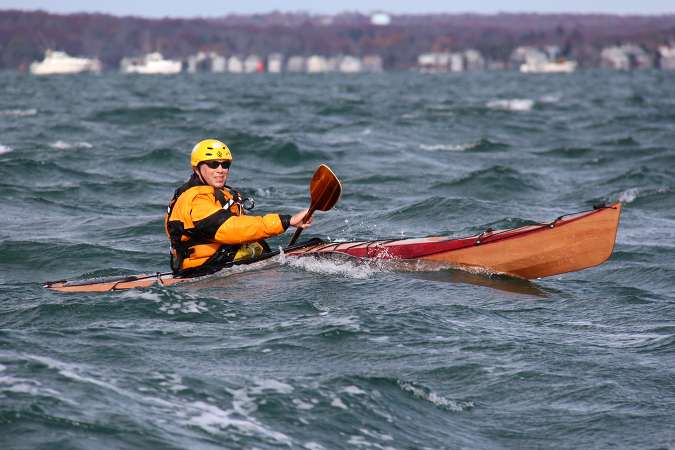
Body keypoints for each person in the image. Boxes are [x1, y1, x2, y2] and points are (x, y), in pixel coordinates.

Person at [165, 139, 311, 276]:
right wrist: (286, 221)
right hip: (205, 270)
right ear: (196, 169)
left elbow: (241, 226)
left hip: (220, 264)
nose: (220, 170)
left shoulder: (217, 192)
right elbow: (230, 229)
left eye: (225, 164)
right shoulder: (195, 199)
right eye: (213, 164)